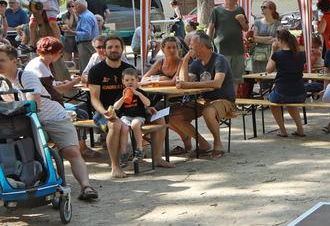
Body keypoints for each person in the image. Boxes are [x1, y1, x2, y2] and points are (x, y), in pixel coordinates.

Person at [0, 44, 99, 201]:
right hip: (29, 124)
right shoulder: (3, 83)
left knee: (71, 152)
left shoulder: (26, 76)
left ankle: (86, 187)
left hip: (54, 118)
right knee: (25, 152)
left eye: (1, 60)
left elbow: (34, 104)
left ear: (14, 61)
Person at [88, 35, 174, 178]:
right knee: (115, 125)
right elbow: (94, 99)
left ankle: (157, 158)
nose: (113, 50)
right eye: (110, 47)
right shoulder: (96, 70)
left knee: (159, 117)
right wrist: (105, 112)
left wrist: (147, 108)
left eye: (117, 46)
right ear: (104, 50)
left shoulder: (129, 69)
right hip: (104, 112)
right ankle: (115, 166)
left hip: (133, 110)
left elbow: (138, 92)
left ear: (122, 49)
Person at [174, 32, 238, 159]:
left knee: (208, 111)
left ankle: (218, 144)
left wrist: (187, 85)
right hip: (204, 100)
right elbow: (184, 80)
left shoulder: (220, 60)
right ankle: (203, 144)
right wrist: (185, 59)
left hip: (224, 100)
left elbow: (217, 83)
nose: (190, 49)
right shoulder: (197, 63)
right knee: (174, 116)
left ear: (202, 46)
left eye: (192, 46)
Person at [265, 29, 307, 137]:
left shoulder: (278, 55)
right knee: (290, 103)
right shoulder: (301, 54)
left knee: (272, 102)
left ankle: (283, 130)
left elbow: (268, 69)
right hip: (300, 93)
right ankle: (300, 129)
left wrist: (273, 51)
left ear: (280, 40)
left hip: (283, 93)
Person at [110, 68, 153, 169]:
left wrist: (137, 93)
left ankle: (140, 149)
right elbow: (115, 107)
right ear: (123, 81)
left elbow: (148, 103)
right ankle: (124, 154)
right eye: (127, 80)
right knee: (124, 128)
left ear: (137, 80)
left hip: (139, 116)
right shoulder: (122, 93)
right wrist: (123, 97)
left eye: (132, 80)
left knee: (134, 124)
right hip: (126, 116)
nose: (130, 82)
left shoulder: (140, 92)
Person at [208, 0, 249, 93]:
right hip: (221, 49)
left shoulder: (240, 9)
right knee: (222, 76)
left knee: (236, 78)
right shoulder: (216, 10)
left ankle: (232, 101)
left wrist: (242, 22)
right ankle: (222, 100)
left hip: (237, 49)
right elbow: (211, 28)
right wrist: (208, 43)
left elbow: (246, 28)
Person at [250, 0, 282, 74]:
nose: (262, 8)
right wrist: (269, 38)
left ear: (271, 10)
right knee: (259, 76)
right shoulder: (257, 22)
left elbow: (277, 39)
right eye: (261, 7)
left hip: (273, 53)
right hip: (260, 55)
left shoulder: (278, 24)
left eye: (264, 7)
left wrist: (260, 39)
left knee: (273, 75)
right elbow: (254, 38)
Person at [74, 0, 99, 72]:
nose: (74, 8)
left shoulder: (85, 17)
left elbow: (87, 34)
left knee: (86, 68)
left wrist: (72, 32)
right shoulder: (88, 14)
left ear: (80, 6)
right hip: (88, 43)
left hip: (86, 44)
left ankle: (87, 82)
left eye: (75, 6)